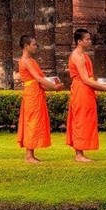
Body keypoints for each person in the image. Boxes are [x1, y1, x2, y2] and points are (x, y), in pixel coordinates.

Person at [66, 28, 106, 162]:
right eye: (87, 39)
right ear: (79, 41)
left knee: (86, 119)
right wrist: (103, 87)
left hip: (86, 90)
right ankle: (79, 154)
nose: (89, 41)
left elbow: (89, 76)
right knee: (80, 120)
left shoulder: (84, 55)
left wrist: (98, 84)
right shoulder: (77, 56)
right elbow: (85, 79)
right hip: (81, 89)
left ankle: (81, 152)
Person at [17, 35, 63, 163]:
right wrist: (54, 87)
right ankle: (29, 155)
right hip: (31, 93)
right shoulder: (25, 60)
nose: (36, 46)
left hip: (36, 92)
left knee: (36, 121)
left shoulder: (32, 60)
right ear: (26, 46)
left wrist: (54, 86)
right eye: (34, 44)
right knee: (32, 122)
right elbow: (38, 79)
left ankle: (31, 153)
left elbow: (41, 81)